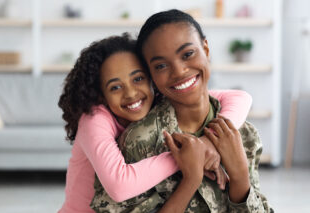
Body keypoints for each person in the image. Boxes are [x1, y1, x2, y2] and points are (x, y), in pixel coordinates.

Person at [90, 9, 273, 212]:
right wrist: (191, 180)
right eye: (160, 66)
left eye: (187, 54)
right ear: (151, 75)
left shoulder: (244, 134)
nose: (179, 71)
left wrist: (240, 178)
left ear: (206, 49)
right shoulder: (138, 143)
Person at [58, 33, 252, 213]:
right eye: (115, 87)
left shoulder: (157, 99)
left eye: (138, 78)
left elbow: (240, 97)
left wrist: (207, 143)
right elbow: (120, 185)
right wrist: (186, 158)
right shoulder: (94, 119)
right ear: (101, 94)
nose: (131, 93)